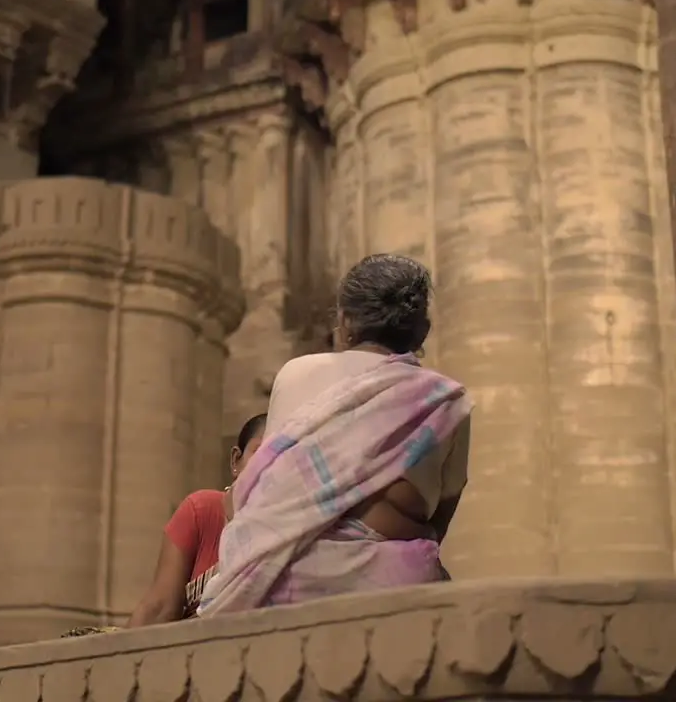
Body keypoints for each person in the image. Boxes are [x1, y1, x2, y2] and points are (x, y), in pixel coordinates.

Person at [198, 254, 473, 616]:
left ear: (344, 321)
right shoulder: (445, 400)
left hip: (284, 590)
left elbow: (262, 497)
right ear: (422, 329)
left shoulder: (298, 374)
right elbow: (440, 519)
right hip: (396, 596)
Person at [127, 413, 268, 627]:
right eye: (259, 454)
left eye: (279, 459)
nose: (268, 467)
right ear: (235, 461)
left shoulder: (296, 528)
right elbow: (160, 609)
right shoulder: (202, 511)